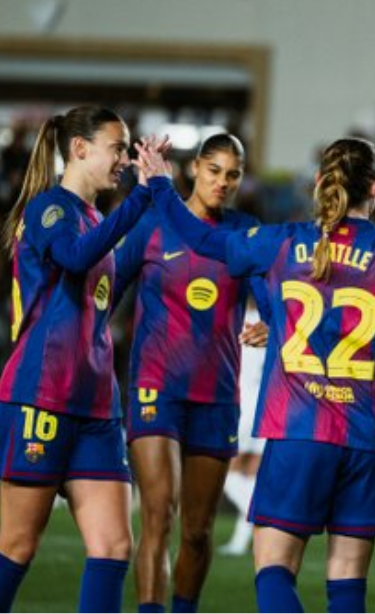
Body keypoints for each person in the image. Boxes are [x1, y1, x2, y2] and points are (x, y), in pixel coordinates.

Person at [143, 136, 375, 613]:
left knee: (274, 567)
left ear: (319, 182)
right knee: (347, 580)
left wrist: (158, 184)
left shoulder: (282, 241)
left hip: (298, 431)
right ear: (374, 189)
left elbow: (199, 238)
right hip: (368, 437)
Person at [0, 106, 173, 613]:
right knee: (18, 545)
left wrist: (158, 198)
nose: (125, 160)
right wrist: (143, 197)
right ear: (80, 149)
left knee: (113, 546)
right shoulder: (50, 210)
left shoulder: (97, 218)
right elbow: (76, 257)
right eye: (118, 148)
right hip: (41, 396)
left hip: (96, 406)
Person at [112, 133, 269, 613]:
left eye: (233, 174)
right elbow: (104, 291)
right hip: (155, 388)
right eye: (215, 170)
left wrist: (274, 322)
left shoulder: (246, 232)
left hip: (216, 395)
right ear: (195, 168)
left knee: (198, 532)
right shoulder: (152, 223)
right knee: (159, 513)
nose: (223, 182)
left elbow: (275, 302)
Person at [219, 298, 269, 558]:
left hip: (243, 402)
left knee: (230, 473)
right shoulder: (273, 318)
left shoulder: (239, 319)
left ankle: (261, 513)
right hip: (265, 402)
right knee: (250, 475)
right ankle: (240, 542)